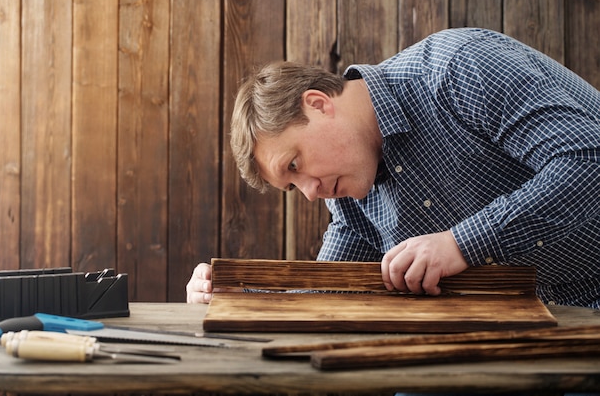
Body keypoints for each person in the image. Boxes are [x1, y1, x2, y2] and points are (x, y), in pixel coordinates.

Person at [186, 27, 600, 310]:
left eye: (294, 164)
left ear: (317, 104)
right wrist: (236, 290)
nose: (310, 193)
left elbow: (587, 161)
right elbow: (326, 290)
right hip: (539, 323)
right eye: (293, 186)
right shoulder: (349, 194)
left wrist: (459, 245)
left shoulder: (457, 68)